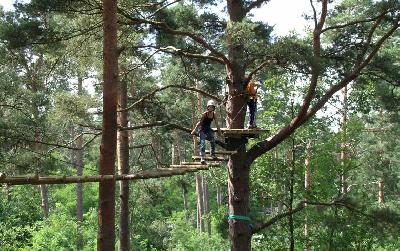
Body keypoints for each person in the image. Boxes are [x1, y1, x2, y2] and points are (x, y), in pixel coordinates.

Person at [191, 100, 223, 164]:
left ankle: (212, 154)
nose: (210, 108)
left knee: (213, 141)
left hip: (208, 129)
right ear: (207, 107)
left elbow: (217, 124)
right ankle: (202, 158)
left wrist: (220, 133)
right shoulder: (204, 114)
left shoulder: (214, 114)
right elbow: (199, 123)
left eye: (212, 107)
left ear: (214, 108)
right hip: (202, 130)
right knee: (202, 143)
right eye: (209, 107)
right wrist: (194, 130)